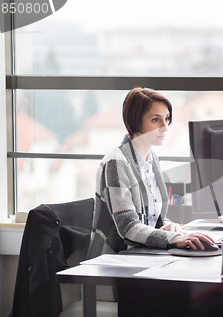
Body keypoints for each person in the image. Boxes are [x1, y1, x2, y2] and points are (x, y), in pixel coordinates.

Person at [88, 87, 214, 264]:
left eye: (167, 119)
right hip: (115, 261)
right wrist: (171, 238)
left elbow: (150, 218)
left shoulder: (151, 159)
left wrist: (168, 226)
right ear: (135, 122)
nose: (165, 127)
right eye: (156, 120)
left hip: (144, 255)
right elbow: (128, 227)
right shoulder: (116, 163)